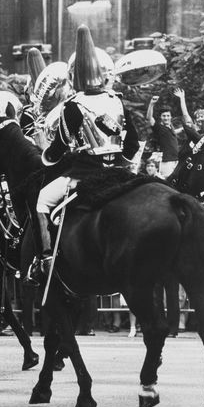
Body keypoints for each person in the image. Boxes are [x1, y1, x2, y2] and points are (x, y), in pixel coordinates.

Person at [33, 24, 140, 279]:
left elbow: (57, 150)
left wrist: (44, 153)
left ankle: (46, 259)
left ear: (73, 76)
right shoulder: (117, 100)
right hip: (117, 173)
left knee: (41, 201)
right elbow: (133, 144)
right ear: (105, 74)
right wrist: (118, 164)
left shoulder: (72, 106)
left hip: (83, 175)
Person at [146, 96, 178, 178]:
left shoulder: (170, 128)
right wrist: (151, 104)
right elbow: (149, 118)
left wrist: (184, 129)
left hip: (176, 160)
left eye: (168, 116)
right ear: (161, 117)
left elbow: (173, 134)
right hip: (166, 161)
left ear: (171, 117)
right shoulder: (159, 128)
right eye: (164, 116)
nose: (166, 118)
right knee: (167, 183)